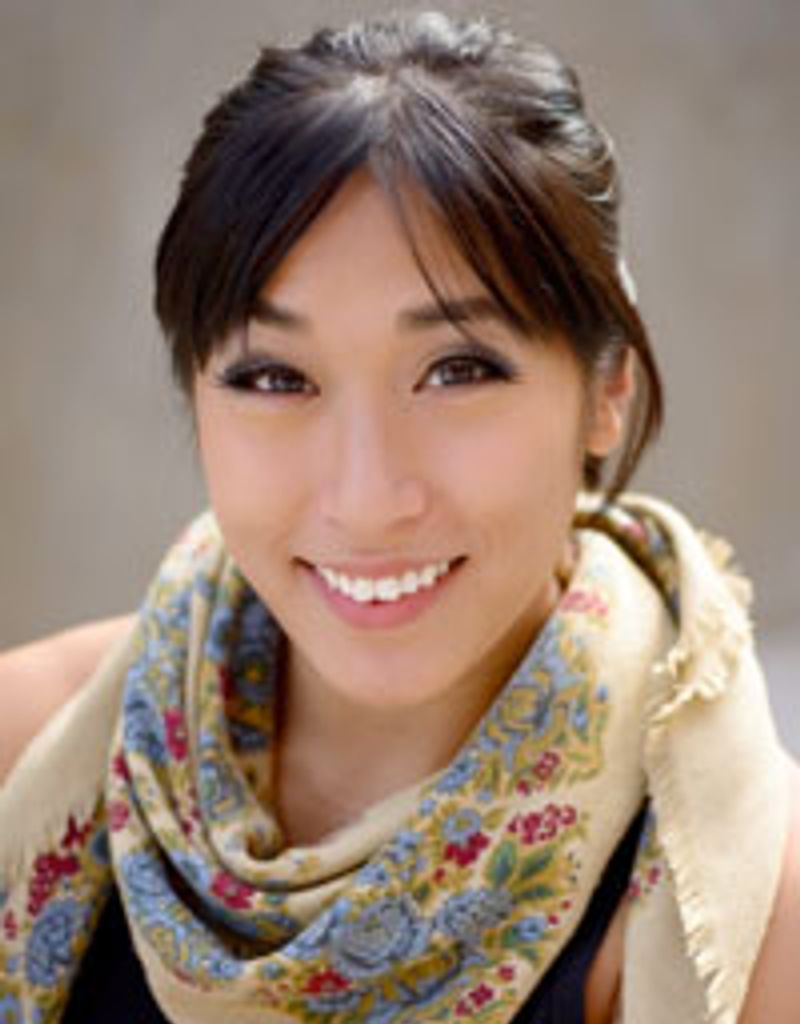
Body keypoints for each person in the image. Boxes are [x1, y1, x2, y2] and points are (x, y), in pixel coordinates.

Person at [0, 11, 797, 1023]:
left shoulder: (741, 912)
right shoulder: (26, 748)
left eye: (457, 370)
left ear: (607, 390)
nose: (367, 497)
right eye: (274, 376)